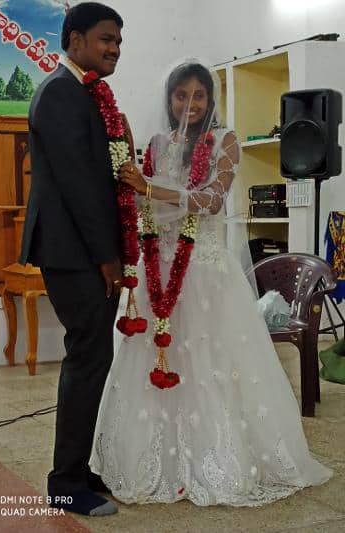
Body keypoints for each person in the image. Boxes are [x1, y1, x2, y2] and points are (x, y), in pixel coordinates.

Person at [89, 62, 332, 506]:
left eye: (198, 96)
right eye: (181, 95)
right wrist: (133, 184)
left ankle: (220, 459)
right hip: (158, 270)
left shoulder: (226, 141)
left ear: (211, 100)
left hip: (205, 271)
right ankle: (150, 459)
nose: (190, 104)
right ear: (169, 98)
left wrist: (150, 187)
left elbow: (212, 200)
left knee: (211, 364)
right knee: (154, 360)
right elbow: (144, 206)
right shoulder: (159, 144)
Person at [19, 2, 125, 516]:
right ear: (75, 38)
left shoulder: (76, 90)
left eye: (119, 42)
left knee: (92, 357)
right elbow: (80, 185)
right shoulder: (61, 93)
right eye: (106, 39)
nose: (114, 49)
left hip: (79, 247)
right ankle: (64, 483)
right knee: (88, 358)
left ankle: (76, 469)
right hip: (73, 249)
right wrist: (108, 258)